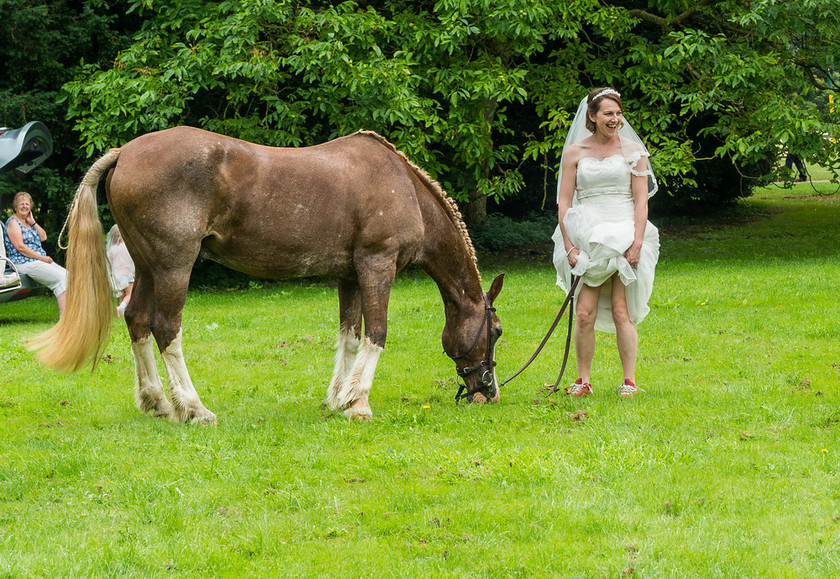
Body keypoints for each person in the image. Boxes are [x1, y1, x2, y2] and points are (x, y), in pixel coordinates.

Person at [552, 88, 660, 397]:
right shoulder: (575, 152)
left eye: (618, 113)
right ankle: (583, 380)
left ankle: (629, 381)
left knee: (620, 310)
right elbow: (564, 202)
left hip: (624, 231)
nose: (615, 119)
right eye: (608, 114)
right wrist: (570, 245)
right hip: (587, 234)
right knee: (583, 312)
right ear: (592, 116)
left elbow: (641, 202)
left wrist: (637, 242)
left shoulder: (632, 151)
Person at [3, 191, 68, 316]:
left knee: (67, 276)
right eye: (21, 204)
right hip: (23, 262)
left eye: (27, 204)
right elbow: (20, 247)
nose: (25, 206)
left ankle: (68, 318)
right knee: (61, 279)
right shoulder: (13, 222)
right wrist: (42, 258)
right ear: (15, 207)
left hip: (36, 260)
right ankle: (64, 319)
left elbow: (43, 237)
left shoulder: (28, 223)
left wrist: (33, 222)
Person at [106, 224, 135, 317]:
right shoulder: (127, 246)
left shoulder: (111, 250)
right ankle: (121, 308)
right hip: (127, 275)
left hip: (116, 277)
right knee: (129, 295)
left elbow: (110, 264)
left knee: (122, 294)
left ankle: (120, 313)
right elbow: (131, 260)